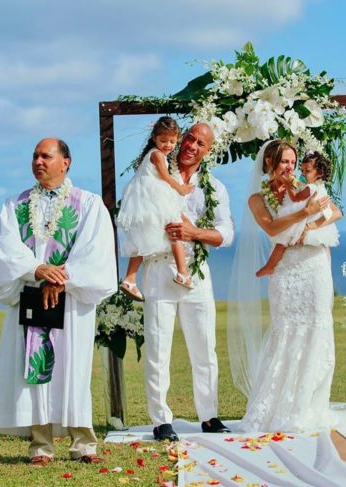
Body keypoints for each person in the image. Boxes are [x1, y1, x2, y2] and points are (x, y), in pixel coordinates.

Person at [0, 138, 117, 466]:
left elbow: (95, 249)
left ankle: (83, 444)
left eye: (46, 155)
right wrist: (36, 269)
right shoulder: (14, 205)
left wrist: (62, 278)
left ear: (66, 162)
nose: (39, 161)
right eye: (35, 156)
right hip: (31, 296)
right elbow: (6, 248)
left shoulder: (87, 203)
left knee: (73, 368)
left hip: (70, 301)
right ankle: (41, 446)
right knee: (33, 371)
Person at [227, 139, 336, 433]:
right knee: (285, 329)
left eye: (293, 161)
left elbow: (333, 213)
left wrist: (313, 224)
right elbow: (273, 228)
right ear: (269, 164)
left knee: (317, 326)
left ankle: (310, 406)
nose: (289, 167)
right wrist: (305, 212)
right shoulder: (257, 198)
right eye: (284, 161)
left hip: (314, 264)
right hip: (286, 269)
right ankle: (278, 407)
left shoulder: (305, 185)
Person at [142, 122, 234, 441]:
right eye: (190, 138)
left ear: (208, 151)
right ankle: (161, 420)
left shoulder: (215, 187)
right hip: (159, 269)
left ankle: (208, 415)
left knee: (204, 346)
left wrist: (194, 233)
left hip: (197, 271)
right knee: (158, 345)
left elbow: (227, 233)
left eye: (200, 143)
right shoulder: (154, 172)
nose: (192, 146)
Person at [116, 116, 195, 302]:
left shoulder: (153, 154)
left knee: (142, 240)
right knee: (174, 229)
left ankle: (130, 279)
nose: (168, 145)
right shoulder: (157, 155)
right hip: (154, 199)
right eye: (163, 140)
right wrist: (181, 189)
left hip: (146, 201)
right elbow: (166, 177)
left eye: (172, 141)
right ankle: (182, 273)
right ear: (154, 138)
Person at [256, 150, 342, 277]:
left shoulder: (311, 188)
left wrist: (311, 225)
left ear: (319, 173)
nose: (302, 174)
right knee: (282, 243)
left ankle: (269, 266)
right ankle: (269, 266)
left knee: (282, 242)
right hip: (301, 223)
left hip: (303, 226)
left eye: (307, 171)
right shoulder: (316, 187)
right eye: (302, 171)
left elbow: (296, 198)